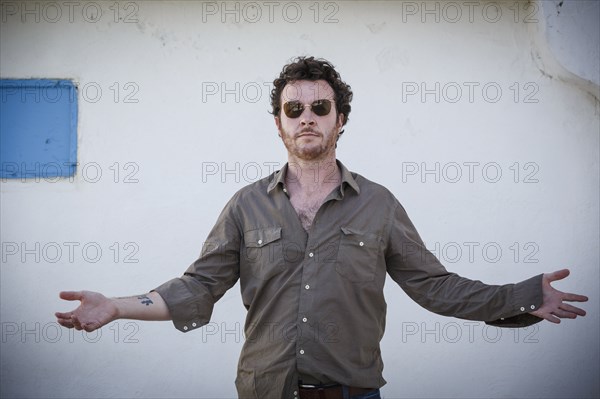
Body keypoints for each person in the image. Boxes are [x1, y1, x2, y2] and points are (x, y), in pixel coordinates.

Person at [56, 56, 588, 399]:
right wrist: (117, 305)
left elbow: (434, 286)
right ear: (279, 123)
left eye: (319, 106)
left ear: (340, 119)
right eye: (294, 108)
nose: (306, 116)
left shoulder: (379, 205)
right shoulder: (245, 206)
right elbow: (198, 287)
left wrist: (520, 297)